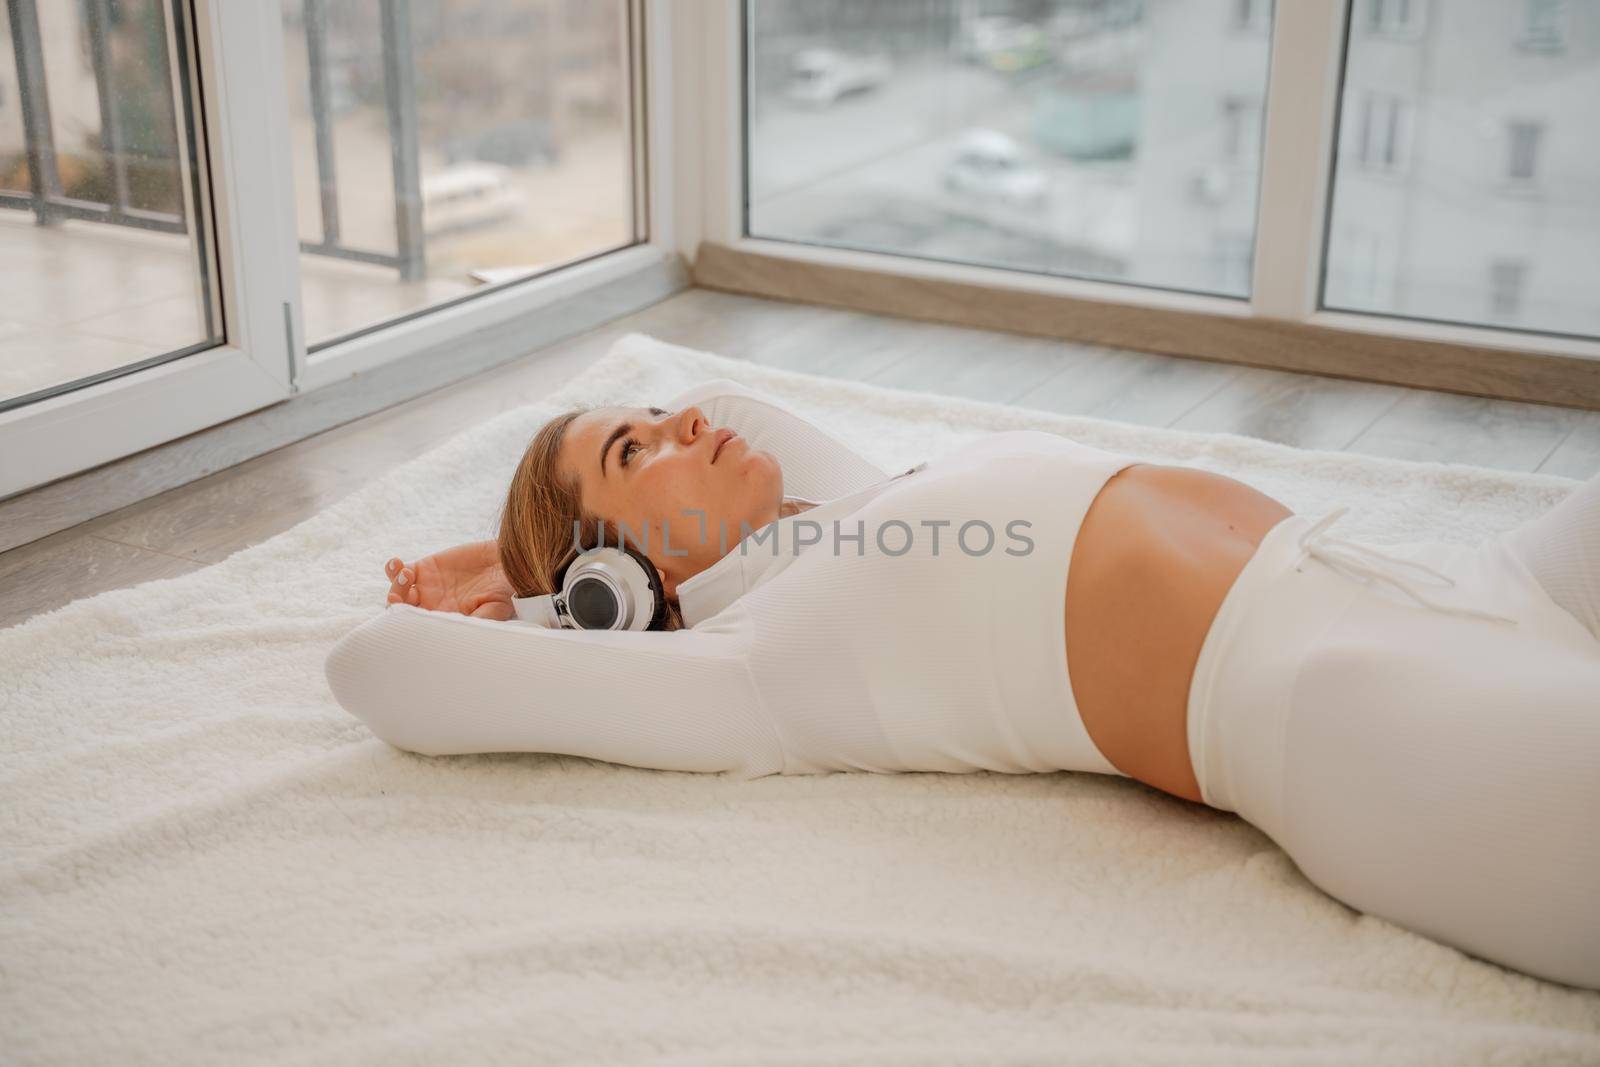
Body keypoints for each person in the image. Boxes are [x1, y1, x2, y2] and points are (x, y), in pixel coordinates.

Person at [326, 376, 1600, 990]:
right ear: (615, 570)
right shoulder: (748, 671)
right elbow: (379, 668)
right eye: (634, 448)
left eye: (655, 412)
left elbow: (732, 397)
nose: (684, 421)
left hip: (1470, 582)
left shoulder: (858, 498)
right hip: (1357, 713)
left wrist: (510, 550)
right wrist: (545, 599)